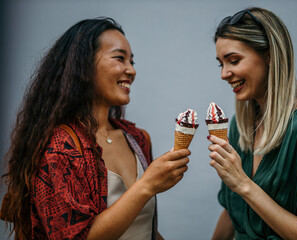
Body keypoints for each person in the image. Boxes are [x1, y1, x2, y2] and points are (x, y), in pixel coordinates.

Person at [1, 17, 190, 239]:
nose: (131, 70)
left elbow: (140, 227)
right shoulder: (61, 148)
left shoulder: (137, 139)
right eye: (120, 58)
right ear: (84, 66)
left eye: (132, 62)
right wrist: (147, 185)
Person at [208, 7, 297, 240]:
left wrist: (244, 184)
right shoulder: (239, 127)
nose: (224, 73)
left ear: (270, 55)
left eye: (233, 60)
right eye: (220, 64)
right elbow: (232, 212)